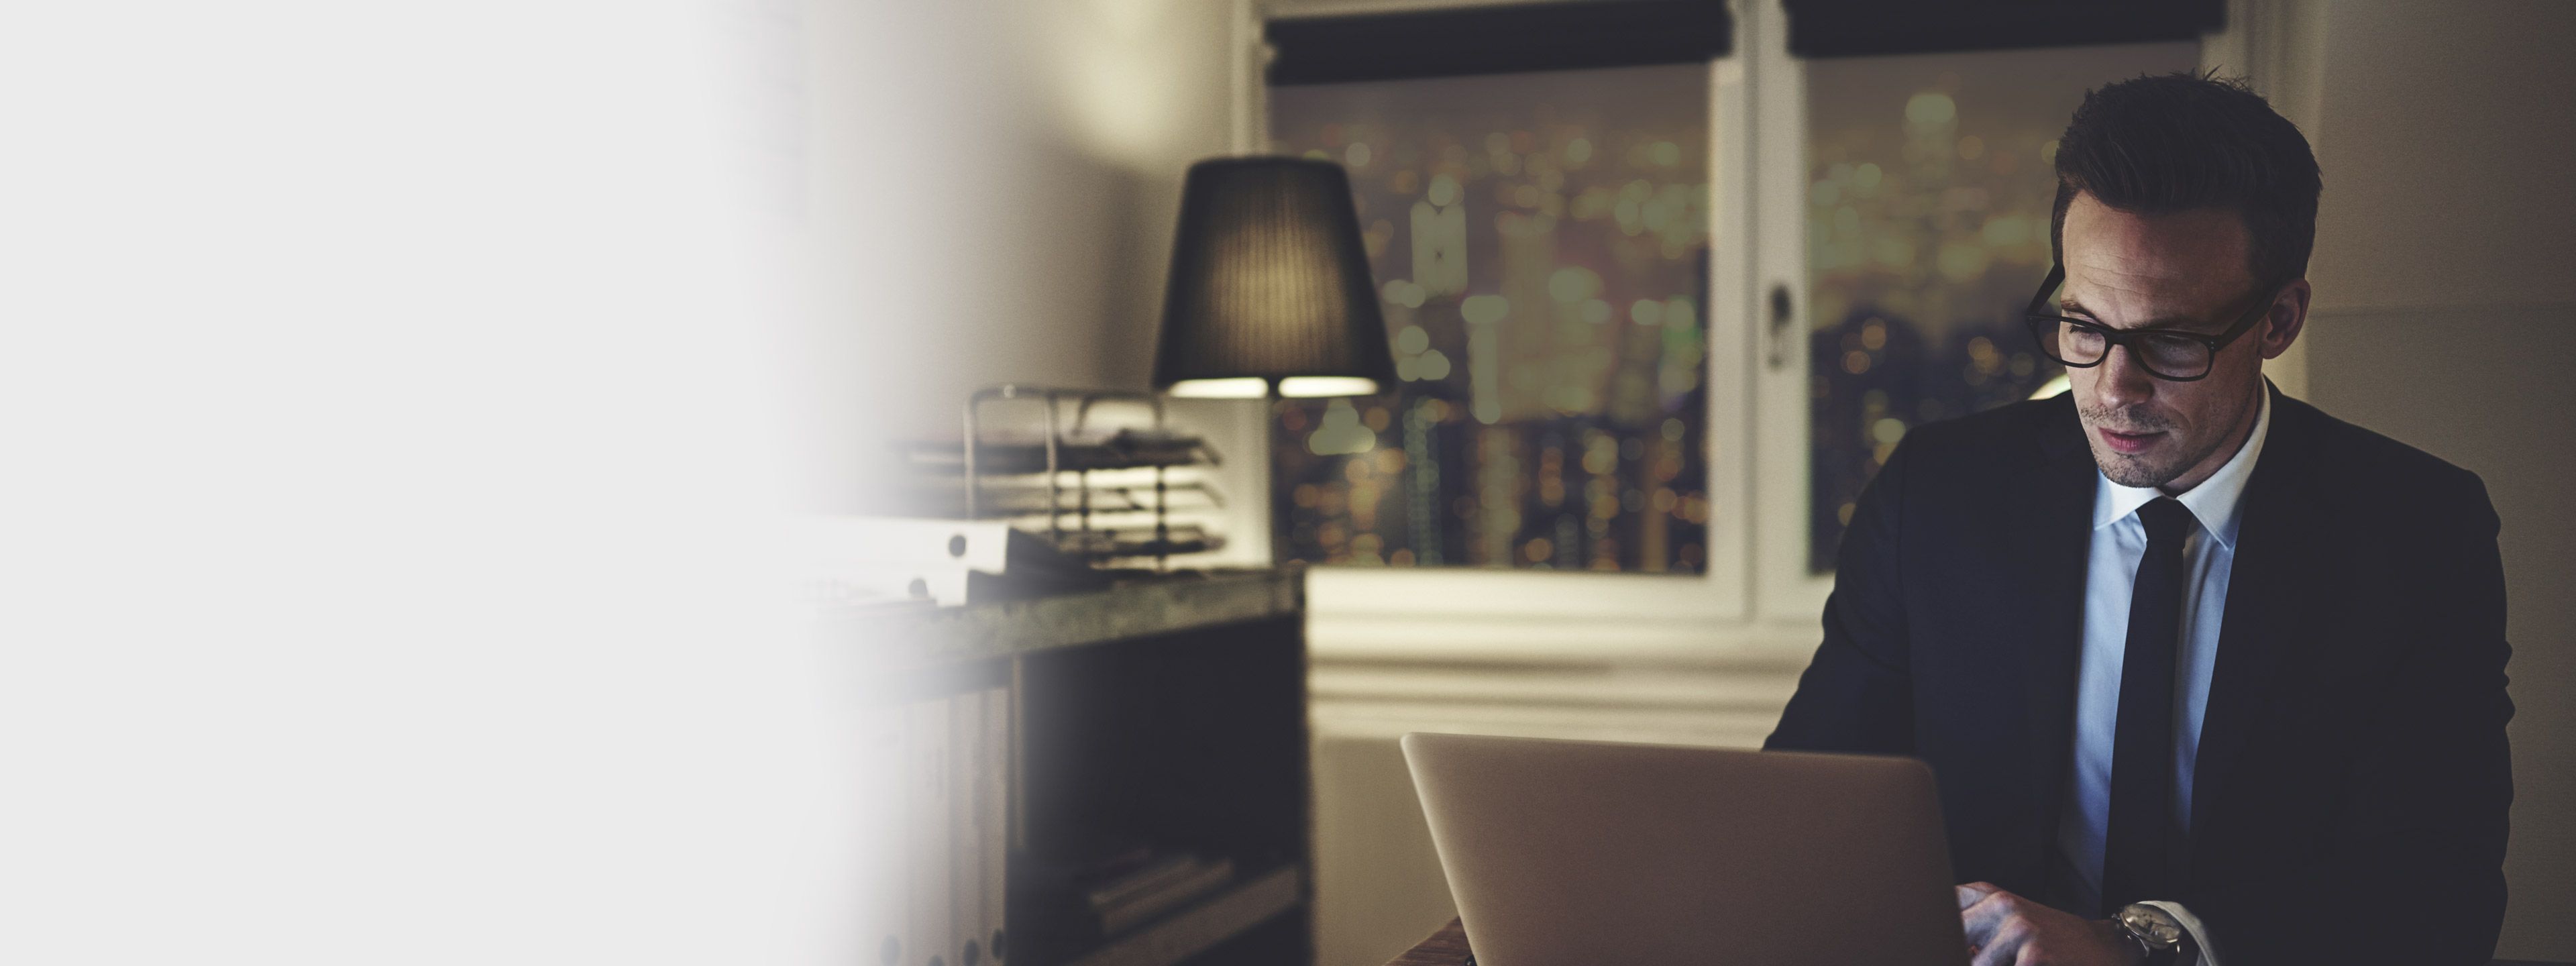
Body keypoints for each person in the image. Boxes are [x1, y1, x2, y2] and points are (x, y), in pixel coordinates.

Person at [1765, 72, 2511, 965]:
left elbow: (2439, 894)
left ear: (2279, 320)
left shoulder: (2416, 533)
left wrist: (2141, 944)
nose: (2113, 389)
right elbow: (1806, 803)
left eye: (2170, 341)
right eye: (2083, 326)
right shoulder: (1938, 494)